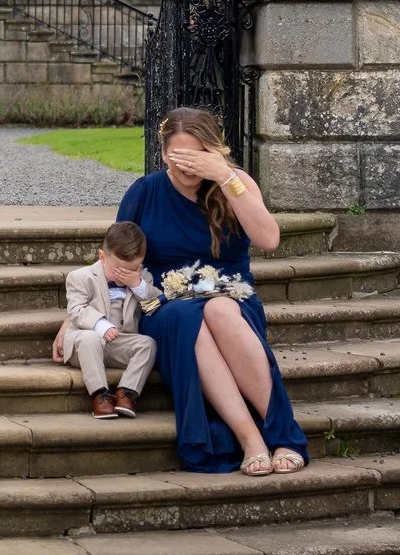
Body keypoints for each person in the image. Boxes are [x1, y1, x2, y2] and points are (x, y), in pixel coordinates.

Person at [113, 107, 307, 475]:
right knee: (189, 316)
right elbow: (116, 263)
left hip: (231, 298)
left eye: (197, 156)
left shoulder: (236, 184)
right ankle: (251, 439)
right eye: (178, 156)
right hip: (167, 304)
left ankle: (284, 434)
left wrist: (223, 177)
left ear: (214, 151)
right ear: (163, 152)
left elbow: (268, 239)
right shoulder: (144, 192)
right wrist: (79, 316)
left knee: (218, 309)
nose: (187, 167)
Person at [53, 221, 158, 419]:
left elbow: (155, 302)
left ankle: (127, 392)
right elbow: (76, 310)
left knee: (148, 344)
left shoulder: (143, 279)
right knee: (89, 340)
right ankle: (100, 394)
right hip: (85, 342)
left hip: (119, 342)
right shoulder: (80, 277)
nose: (124, 276)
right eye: (118, 270)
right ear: (102, 257)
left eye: (132, 269)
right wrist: (100, 324)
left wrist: (137, 284)